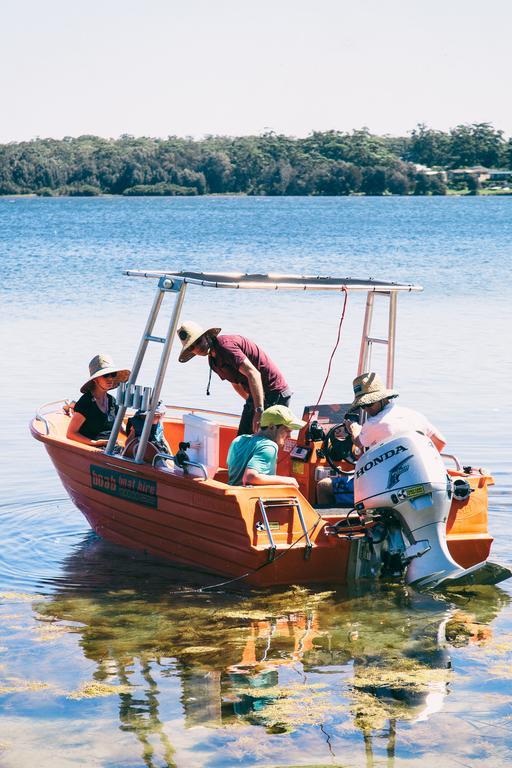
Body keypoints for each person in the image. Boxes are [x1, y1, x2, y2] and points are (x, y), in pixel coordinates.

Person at [316, 372, 446, 506]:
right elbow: (440, 442)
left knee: (324, 486)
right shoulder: (414, 415)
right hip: (419, 481)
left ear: (383, 399)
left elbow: (358, 442)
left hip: (386, 489)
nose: (366, 409)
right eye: (363, 406)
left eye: (369, 404)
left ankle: (345, 525)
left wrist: (354, 428)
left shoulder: (374, 423)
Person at [177, 321, 291, 435]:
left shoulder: (225, 346)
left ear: (206, 336)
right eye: (192, 347)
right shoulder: (213, 361)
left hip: (275, 392)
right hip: (258, 396)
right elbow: (236, 384)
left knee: (264, 442)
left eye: (198, 341)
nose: (197, 347)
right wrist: (251, 405)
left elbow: (254, 374)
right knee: (242, 440)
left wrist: (258, 410)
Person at [227, 405, 305, 487]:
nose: (289, 436)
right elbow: (249, 477)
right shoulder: (269, 446)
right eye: (287, 430)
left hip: (231, 495)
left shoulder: (239, 440)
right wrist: (288, 480)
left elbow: (233, 470)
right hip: (252, 497)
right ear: (272, 427)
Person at [66, 353, 130, 447]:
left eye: (113, 374)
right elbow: (71, 434)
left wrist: (135, 434)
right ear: (95, 379)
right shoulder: (86, 402)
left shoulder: (112, 401)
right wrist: (95, 443)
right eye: (106, 375)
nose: (110, 378)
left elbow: (119, 427)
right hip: (92, 450)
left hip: (111, 449)